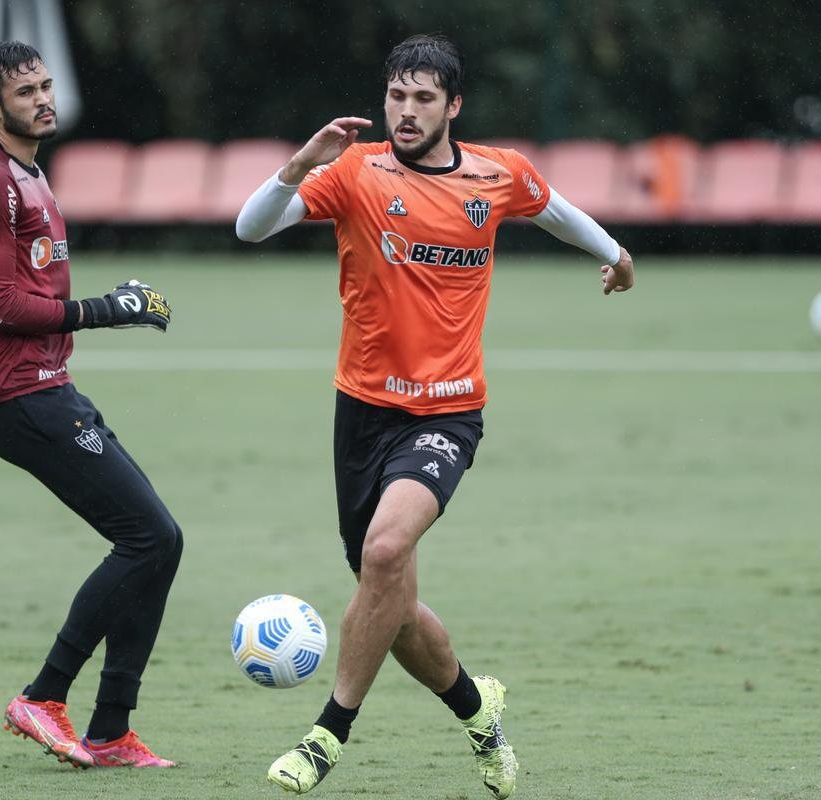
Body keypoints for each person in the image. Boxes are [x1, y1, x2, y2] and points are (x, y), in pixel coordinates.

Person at [236, 33, 634, 798]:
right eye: (396, 95)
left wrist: (614, 254)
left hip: (448, 415)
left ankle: (326, 736)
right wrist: (298, 164)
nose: (406, 111)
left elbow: (556, 211)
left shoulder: (497, 172)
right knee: (394, 609)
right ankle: (480, 716)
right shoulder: (353, 172)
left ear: (453, 106)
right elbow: (251, 228)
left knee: (384, 556)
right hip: (360, 413)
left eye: (423, 98)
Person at [0, 41, 181, 769]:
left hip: (43, 389)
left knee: (157, 543)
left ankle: (109, 732)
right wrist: (110, 309)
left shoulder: (29, 175)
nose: (42, 97)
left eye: (45, 84)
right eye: (25, 91)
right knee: (150, 539)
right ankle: (44, 697)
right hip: (23, 398)